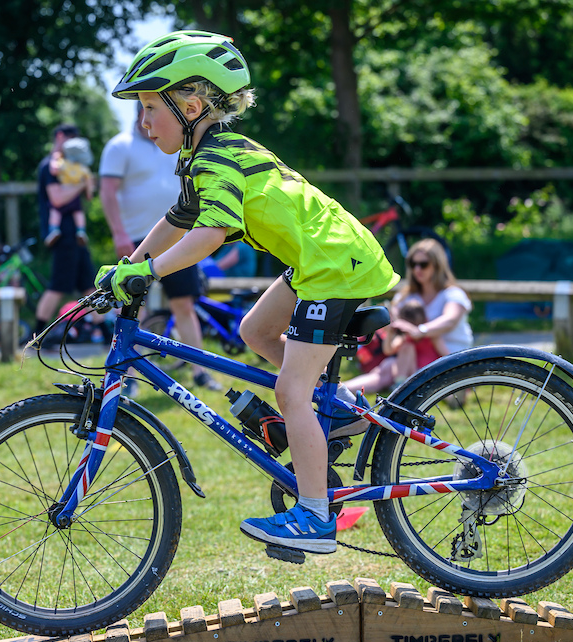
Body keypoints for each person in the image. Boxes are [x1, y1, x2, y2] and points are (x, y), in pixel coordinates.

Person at [99, 30, 399, 555]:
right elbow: (179, 219)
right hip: (321, 260)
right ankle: (345, 408)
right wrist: (127, 267)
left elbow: (209, 234)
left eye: (150, 108)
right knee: (254, 330)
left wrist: (149, 273)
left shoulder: (216, 157)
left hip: (335, 266)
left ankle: (315, 519)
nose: (144, 122)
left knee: (290, 393)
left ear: (191, 106)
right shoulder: (204, 156)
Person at [99, 102, 219, 389]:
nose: (148, 120)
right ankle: (125, 377)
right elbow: (107, 193)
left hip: (177, 236)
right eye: (147, 109)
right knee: (127, 304)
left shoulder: (175, 144)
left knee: (184, 304)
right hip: (137, 237)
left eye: (154, 109)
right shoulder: (119, 146)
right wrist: (118, 234)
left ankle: (199, 372)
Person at [342, 239, 473, 397]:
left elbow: (450, 320)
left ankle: (337, 391)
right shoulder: (407, 296)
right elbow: (394, 322)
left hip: (448, 354)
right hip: (413, 354)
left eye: (423, 264)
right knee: (388, 366)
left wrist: (420, 330)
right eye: (412, 263)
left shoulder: (452, 293)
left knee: (390, 368)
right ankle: (335, 391)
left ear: (437, 265)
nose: (417, 268)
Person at [33, 124, 97, 342]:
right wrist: (82, 184)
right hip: (62, 235)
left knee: (89, 285)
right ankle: (36, 335)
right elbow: (58, 199)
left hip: (77, 236)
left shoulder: (72, 165)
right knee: (58, 286)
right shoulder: (50, 167)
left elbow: (88, 196)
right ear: (60, 137)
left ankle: (105, 333)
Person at [45, 137, 94, 248]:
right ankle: (81, 231)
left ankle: (54, 230)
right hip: (75, 197)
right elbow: (89, 181)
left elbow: (53, 170)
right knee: (78, 213)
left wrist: (55, 157)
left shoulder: (63, 163)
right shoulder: (83, 169)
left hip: (64, 190)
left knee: (55, 212)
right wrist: (89, 194)